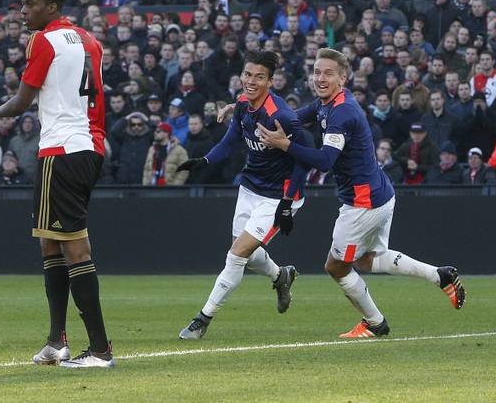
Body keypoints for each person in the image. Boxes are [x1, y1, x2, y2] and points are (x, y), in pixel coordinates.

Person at [257, 48, 466, 339]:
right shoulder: (326, 103)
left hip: (362, 201)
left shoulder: (342, 113)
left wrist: (285, 145)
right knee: (368, 259)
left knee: (335, 266)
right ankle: (439, 275)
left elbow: (325, 160)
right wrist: (248, 109)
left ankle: (374, 322)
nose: (320, 77)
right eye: (317, 71)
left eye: (328, 72)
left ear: (343, 78)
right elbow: (291, 116)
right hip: (379, 193)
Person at [0, 0, 114, 367]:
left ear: (52, 7)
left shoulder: (43, 40)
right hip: (89, 146)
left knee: (75, 246)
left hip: (62, 149)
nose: (23, 11)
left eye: (30, 4)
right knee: (50, 241)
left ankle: (100, 350)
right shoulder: (90, 41)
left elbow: (24, 100)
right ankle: (57, 340)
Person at [175, 51, 308, 340]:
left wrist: (287, 203)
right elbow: (229, 142)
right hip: (249, 188)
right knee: (245, 254)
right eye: (247, 74)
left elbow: (305, 157)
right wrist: (203, 161)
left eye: (259, 77)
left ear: (270, 82)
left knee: (236, 255)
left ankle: (203, 319)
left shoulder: (281, 115)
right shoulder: (243, 104)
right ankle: (280, 276)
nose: (250, 81)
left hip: (276, 197)